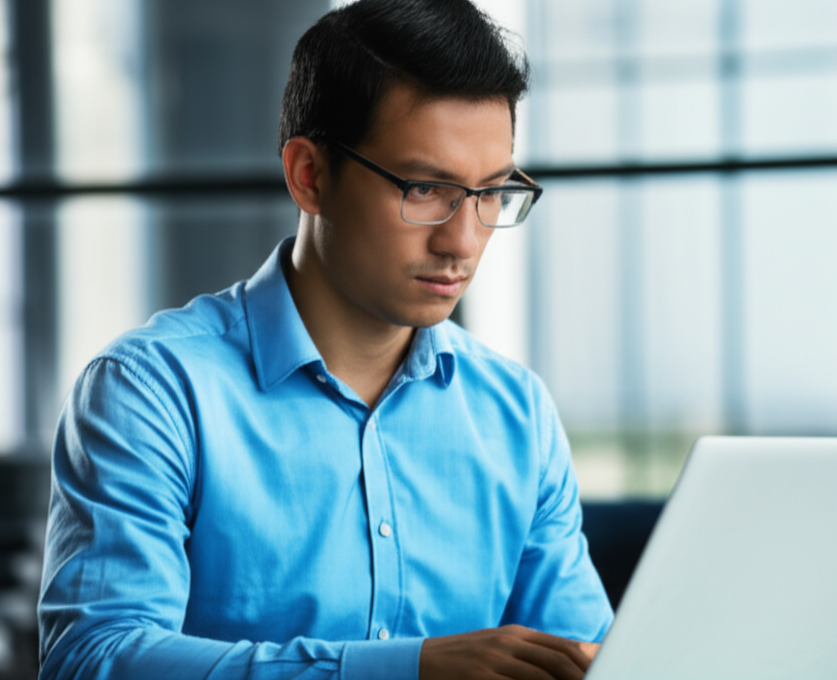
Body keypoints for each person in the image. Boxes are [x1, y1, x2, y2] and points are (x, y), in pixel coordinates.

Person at [37, 1, 614, 678]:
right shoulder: (151, 392)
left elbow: (586, 659)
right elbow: (92, 659)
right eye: (425, 189)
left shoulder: (517, 415)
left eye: (490, 193)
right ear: (309, 175)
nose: (462, 241)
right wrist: (405, 671)